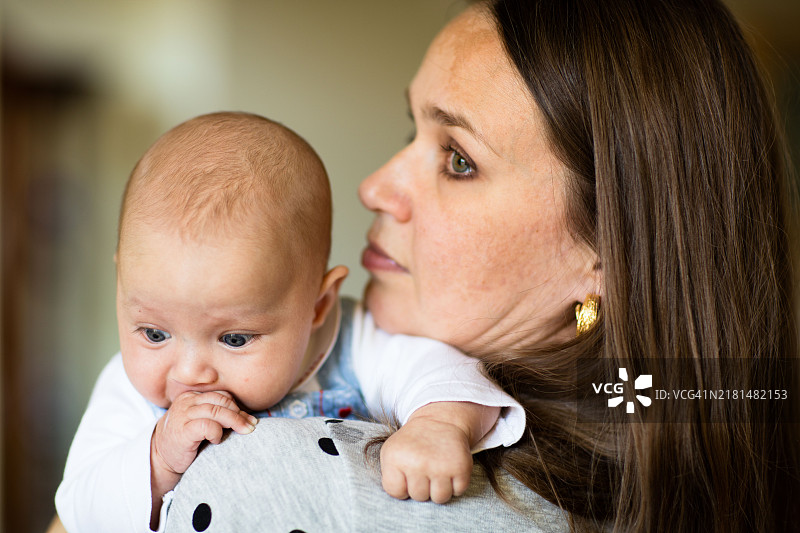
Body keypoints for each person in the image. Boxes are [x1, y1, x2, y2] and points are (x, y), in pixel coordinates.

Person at [157, 1, 798, 532]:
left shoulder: (277, 477)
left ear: (606, 252)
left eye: (458, 160)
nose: (376, 186)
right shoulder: (699, 431)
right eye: (409, 131)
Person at [54, 112, 526, 532]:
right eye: (154, 333)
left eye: (235, 338)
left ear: (318, 306)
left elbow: (441, 371)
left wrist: (439, 424)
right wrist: (157, 459)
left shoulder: (351, 342)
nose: (190, 373)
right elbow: (78, 511)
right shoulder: (129, 392)